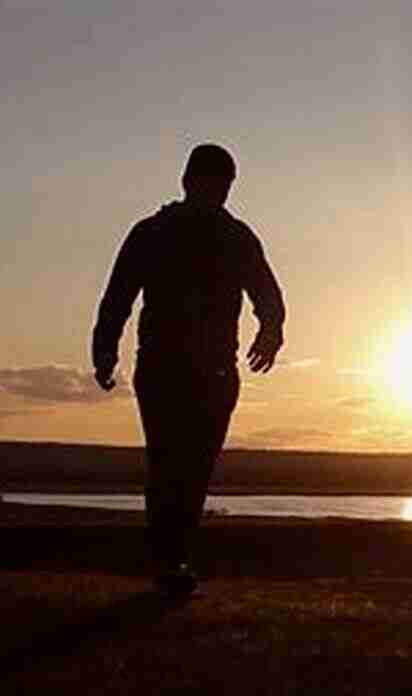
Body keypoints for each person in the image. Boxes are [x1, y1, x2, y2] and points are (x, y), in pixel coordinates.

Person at [91, 143, 285, 597]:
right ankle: (169, 560)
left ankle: (173, 557)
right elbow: (118, 296)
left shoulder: (234, 237)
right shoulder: (155, 232)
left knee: (190, 466)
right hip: (165, 368)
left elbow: (268, 297)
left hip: (211, 372)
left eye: (224, 184)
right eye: (213, 181)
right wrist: (104, 349)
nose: (218, 191)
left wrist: (270, 333)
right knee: (169, 462)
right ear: (189, 181)